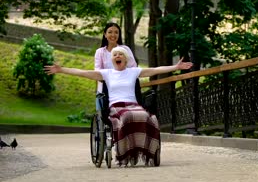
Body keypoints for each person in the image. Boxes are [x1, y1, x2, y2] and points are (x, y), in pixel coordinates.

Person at [45, 46, 193, 166]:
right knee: (128, 116)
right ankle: (126, 152)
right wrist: (62, 69)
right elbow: (83, 73)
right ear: (112, 59)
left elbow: (156, 70)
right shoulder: (106, 73)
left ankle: (148, 151)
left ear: (125, 59)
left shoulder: (133, 72)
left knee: (150, 118)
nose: (117, 56)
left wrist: (176, 66)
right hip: (116, 107)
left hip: (134, 105)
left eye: (120, 54)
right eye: (115, 54)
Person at [94, 22, 137, 93]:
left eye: (116, 32)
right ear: (105, 34)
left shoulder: (125, 49)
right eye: (110, 32)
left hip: (124, 89)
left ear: (119, 35)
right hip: (104, 91)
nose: (113, 35)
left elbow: (133, 68)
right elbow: (98, 73)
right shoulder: (100, 52)